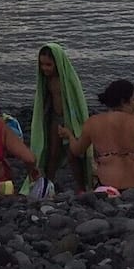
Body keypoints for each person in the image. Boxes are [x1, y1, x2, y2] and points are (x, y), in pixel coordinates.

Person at [26, 43, 93, 195]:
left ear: (58, 63)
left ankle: (82, 186)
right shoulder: (46, 80)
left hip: (70, 119)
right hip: (55, 118)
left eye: (49, 65)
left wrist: (76, 125)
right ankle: (47, 184)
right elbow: (44, 100)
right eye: (42, 65)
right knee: (52, 152)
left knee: (73, 154)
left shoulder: (67, 79)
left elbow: (77, 101)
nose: (45, 68)